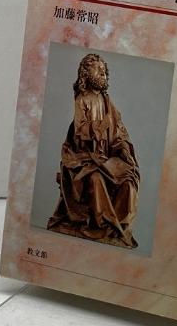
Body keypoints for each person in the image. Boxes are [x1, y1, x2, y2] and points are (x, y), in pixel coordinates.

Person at [46, 53, 140, 248]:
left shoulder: (107, 102)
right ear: (86, 74)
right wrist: (100, 126)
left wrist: (123, 148)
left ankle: (118, 229)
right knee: (96, 179)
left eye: (105, 71)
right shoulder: (82, 100)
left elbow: (119, 132)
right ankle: (102, 225)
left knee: (129, 180)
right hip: (83, 158)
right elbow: (80, 131)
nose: (104, 75)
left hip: (106, 157)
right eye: (99, 71)